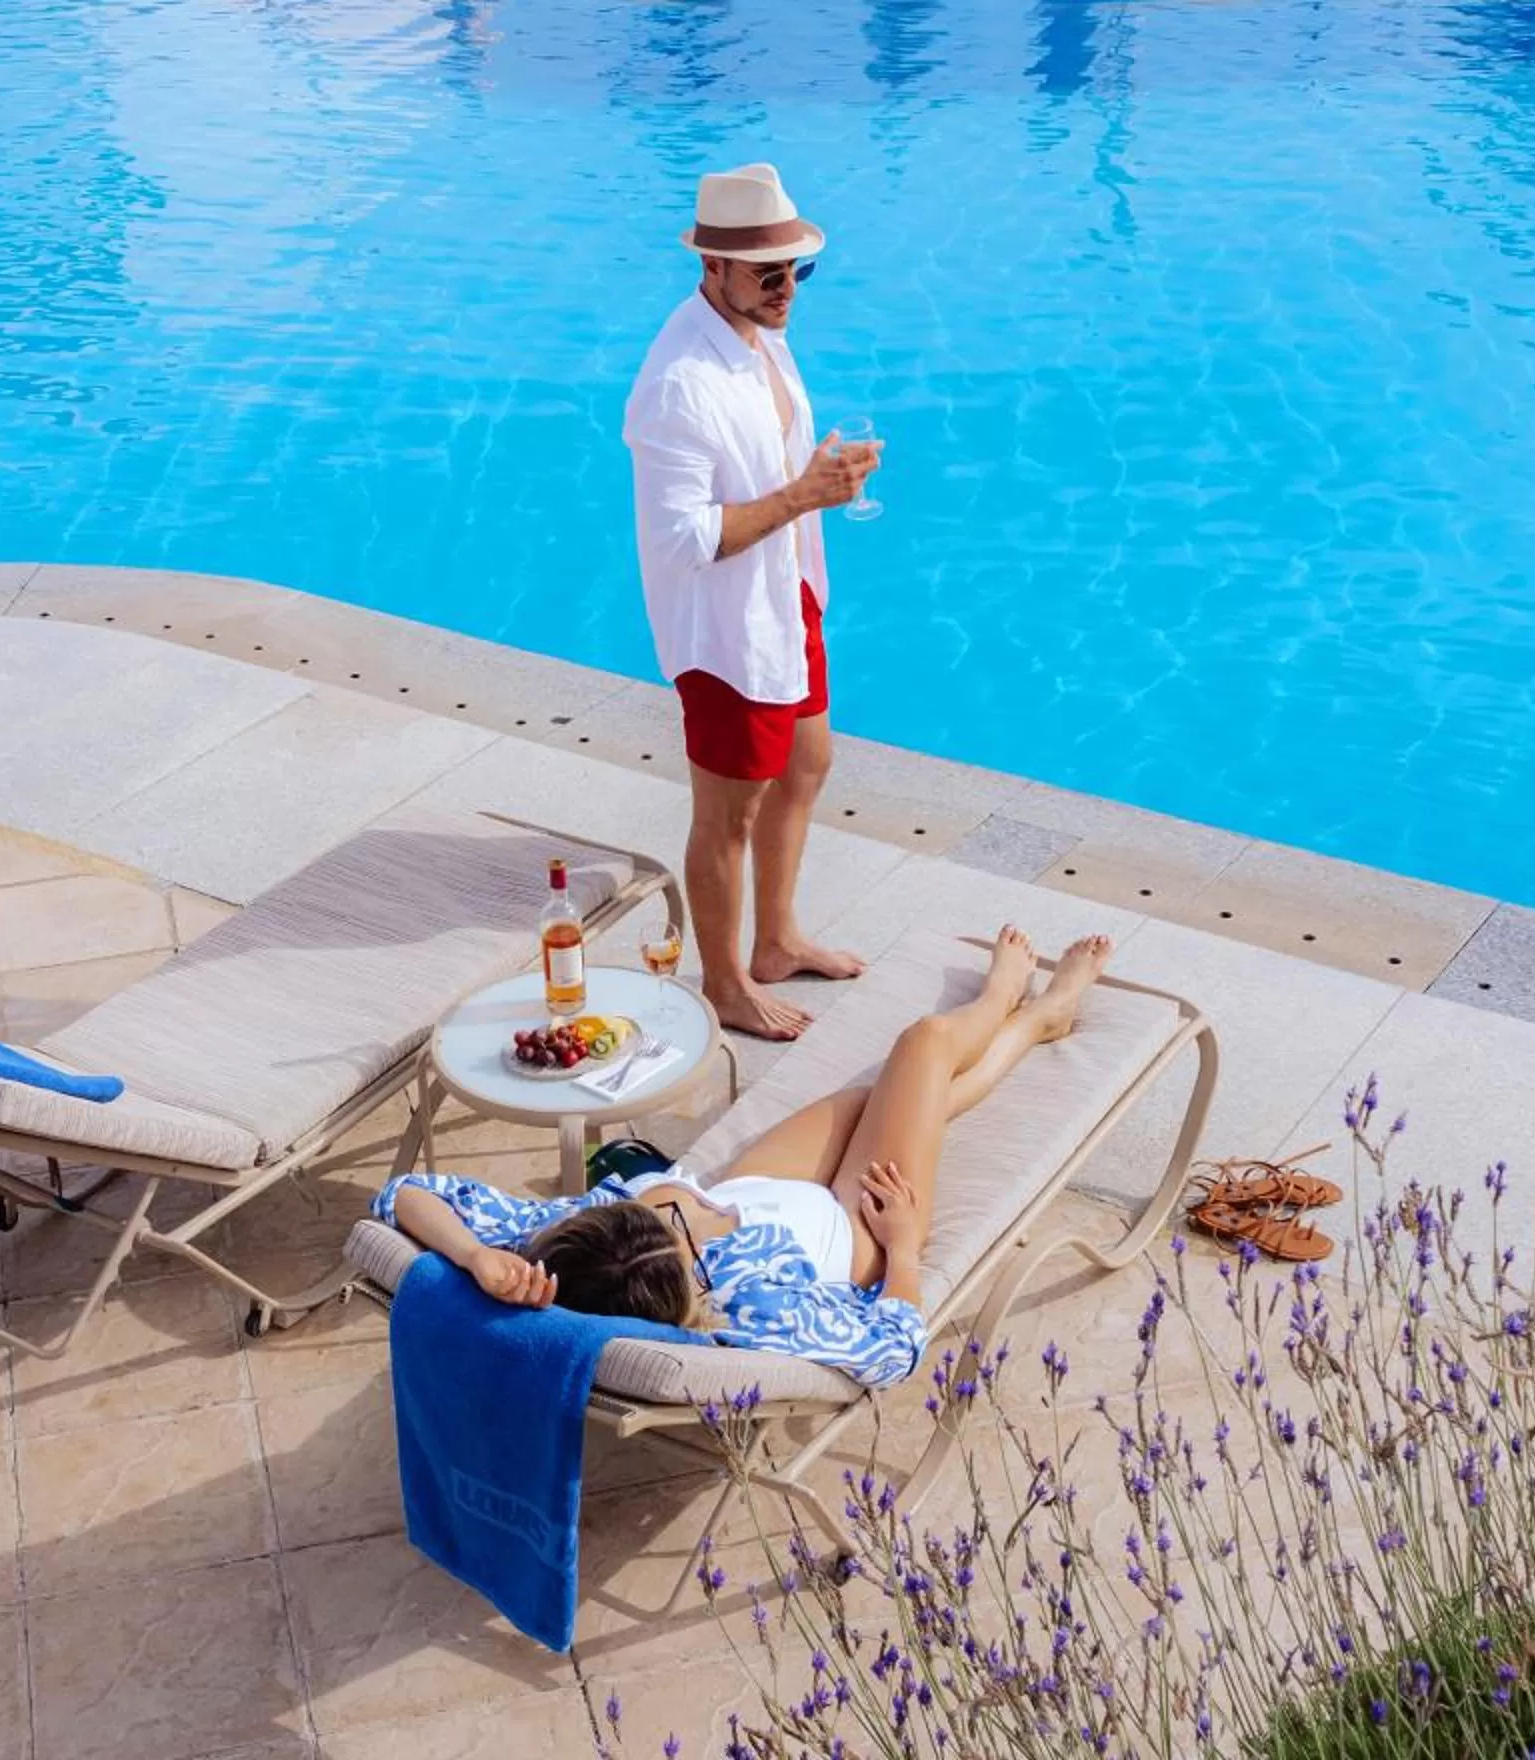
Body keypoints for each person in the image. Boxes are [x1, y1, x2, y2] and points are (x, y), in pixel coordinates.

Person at [374, 928, 1111, 1387]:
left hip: (763, 1187)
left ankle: (1027, 1025)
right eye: (681, 1216)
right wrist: (906, 1250)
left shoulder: (566, 1256)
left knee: (906, 1089)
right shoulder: (757, 1313)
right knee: (921, 1046)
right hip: (852, 1224)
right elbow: (891, 1350)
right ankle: (1023, 1008)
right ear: (689, 1273)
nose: (681, 1196)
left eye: (653, 1200)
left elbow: (405, 1195)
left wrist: (474, 1256)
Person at [623, 162, 885, 1041]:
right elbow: (682, 539)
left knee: (808, 765)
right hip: (727, 633)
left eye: (796, 271)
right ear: (712, 268)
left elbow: (775, 466)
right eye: (767, 273)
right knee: (726, 815)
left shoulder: (760, 335)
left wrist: (824, 479)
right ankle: (726, 984)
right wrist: (803, 497)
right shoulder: (676, 387)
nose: (786, 289)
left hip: (787, 590)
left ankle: (776, 940)